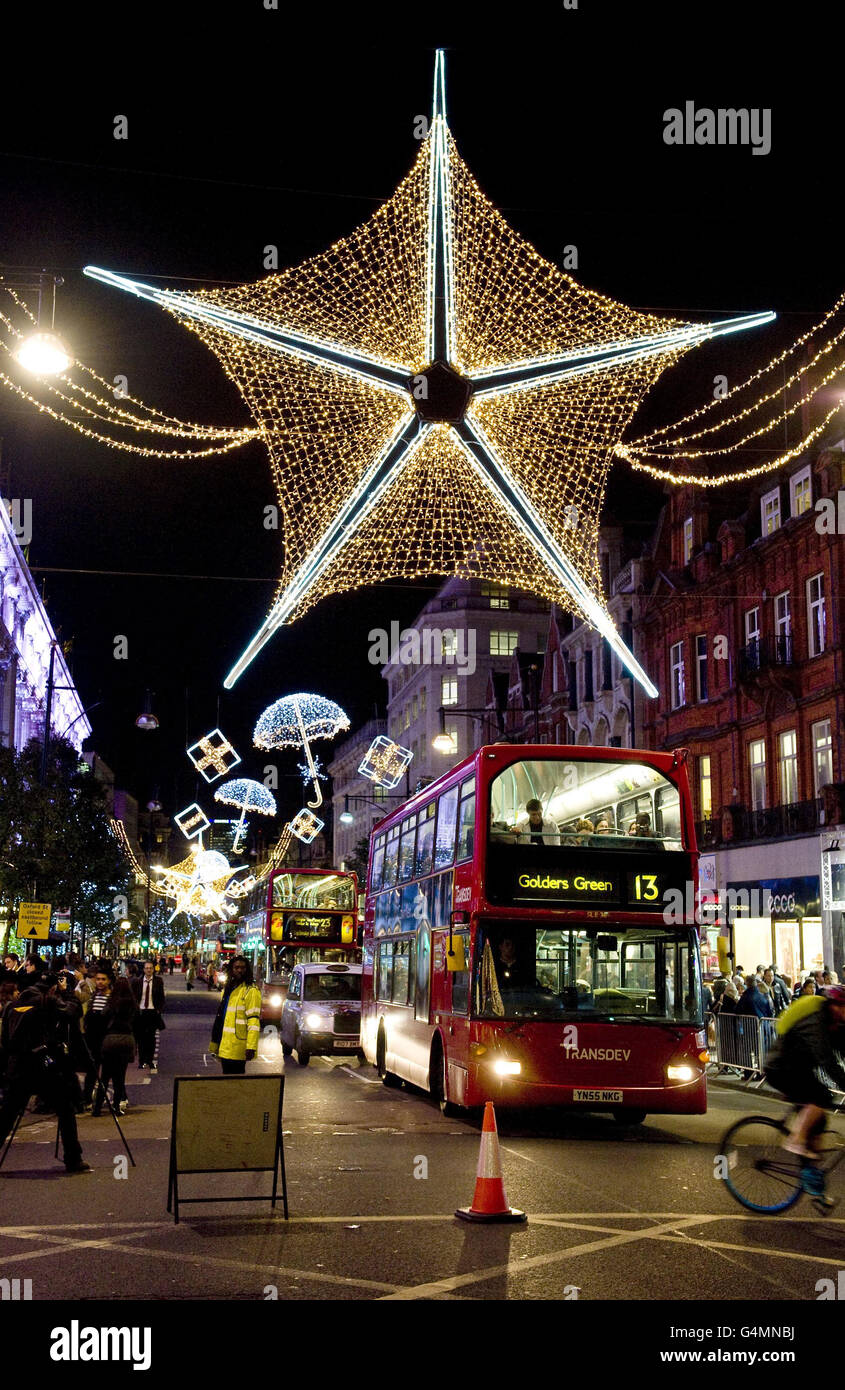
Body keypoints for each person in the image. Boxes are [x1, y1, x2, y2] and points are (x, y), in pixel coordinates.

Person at [764, 986, 845, 1203]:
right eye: (843, 1007)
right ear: (834, 1006)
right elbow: (827, 1059)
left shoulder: (836, 1024)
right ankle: (796, 1139)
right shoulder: (816, 1021)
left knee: (819, 1121)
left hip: (799, 1069)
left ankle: (814, 1183)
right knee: (822, 1097)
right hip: (781, 1068)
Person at [0, 983, 90, 1172]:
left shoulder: (12, 1007)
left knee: (7, 1115)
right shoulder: (46, 1002)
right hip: (43, 1067)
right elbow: (72, 1013)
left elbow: (6, 1042)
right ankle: (73, 1159)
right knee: (65, 1109)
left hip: (17, 1068)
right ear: (50, 989)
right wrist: (68, 993)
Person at [208, 956, 261, 1074]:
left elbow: (253, 1020)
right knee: (227, 1080)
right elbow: (222, 1018)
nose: (240, 970)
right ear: (231, 969)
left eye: (243, 968)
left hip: (238, 1047)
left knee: (236, 1082)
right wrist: (215, 1042)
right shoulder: (228, 989)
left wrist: (251, 1046)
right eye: (236, 967)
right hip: (225, 1045)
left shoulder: (251, 990)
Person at [93, 978, 138, 1117]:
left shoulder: (111, 1002)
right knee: (120, 1077)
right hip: (126, 1039)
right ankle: (117, 1107)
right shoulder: (132, 1003)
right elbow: (138, 1019)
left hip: (111, 1039)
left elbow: (102, 1015)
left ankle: (97, 1108)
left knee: (105, 1077)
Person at [81, 967, 114, 1109]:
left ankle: (101, 1102)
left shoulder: (112, 999)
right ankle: (87, 1099)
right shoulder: (93, 996)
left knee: (108, 1072)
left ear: (109, 981)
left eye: (103, 979)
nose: (100, 982)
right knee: (91, 1071)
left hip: (106, 1040)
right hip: (92, 1040)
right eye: (98, 979)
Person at [131, 960, 166, 1072]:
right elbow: (134, 997)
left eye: (150, 968)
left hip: (152, 1012)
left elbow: (161, 997)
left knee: (151, 1038)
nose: (149, 970)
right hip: (141, 1012)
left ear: (153, 969)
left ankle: (150, 1061)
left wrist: (159, 1010)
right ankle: (142, 1061)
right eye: (146, 968)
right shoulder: (137, 981)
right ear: (144, 969)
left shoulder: (158, 981)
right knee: (141, 1038)